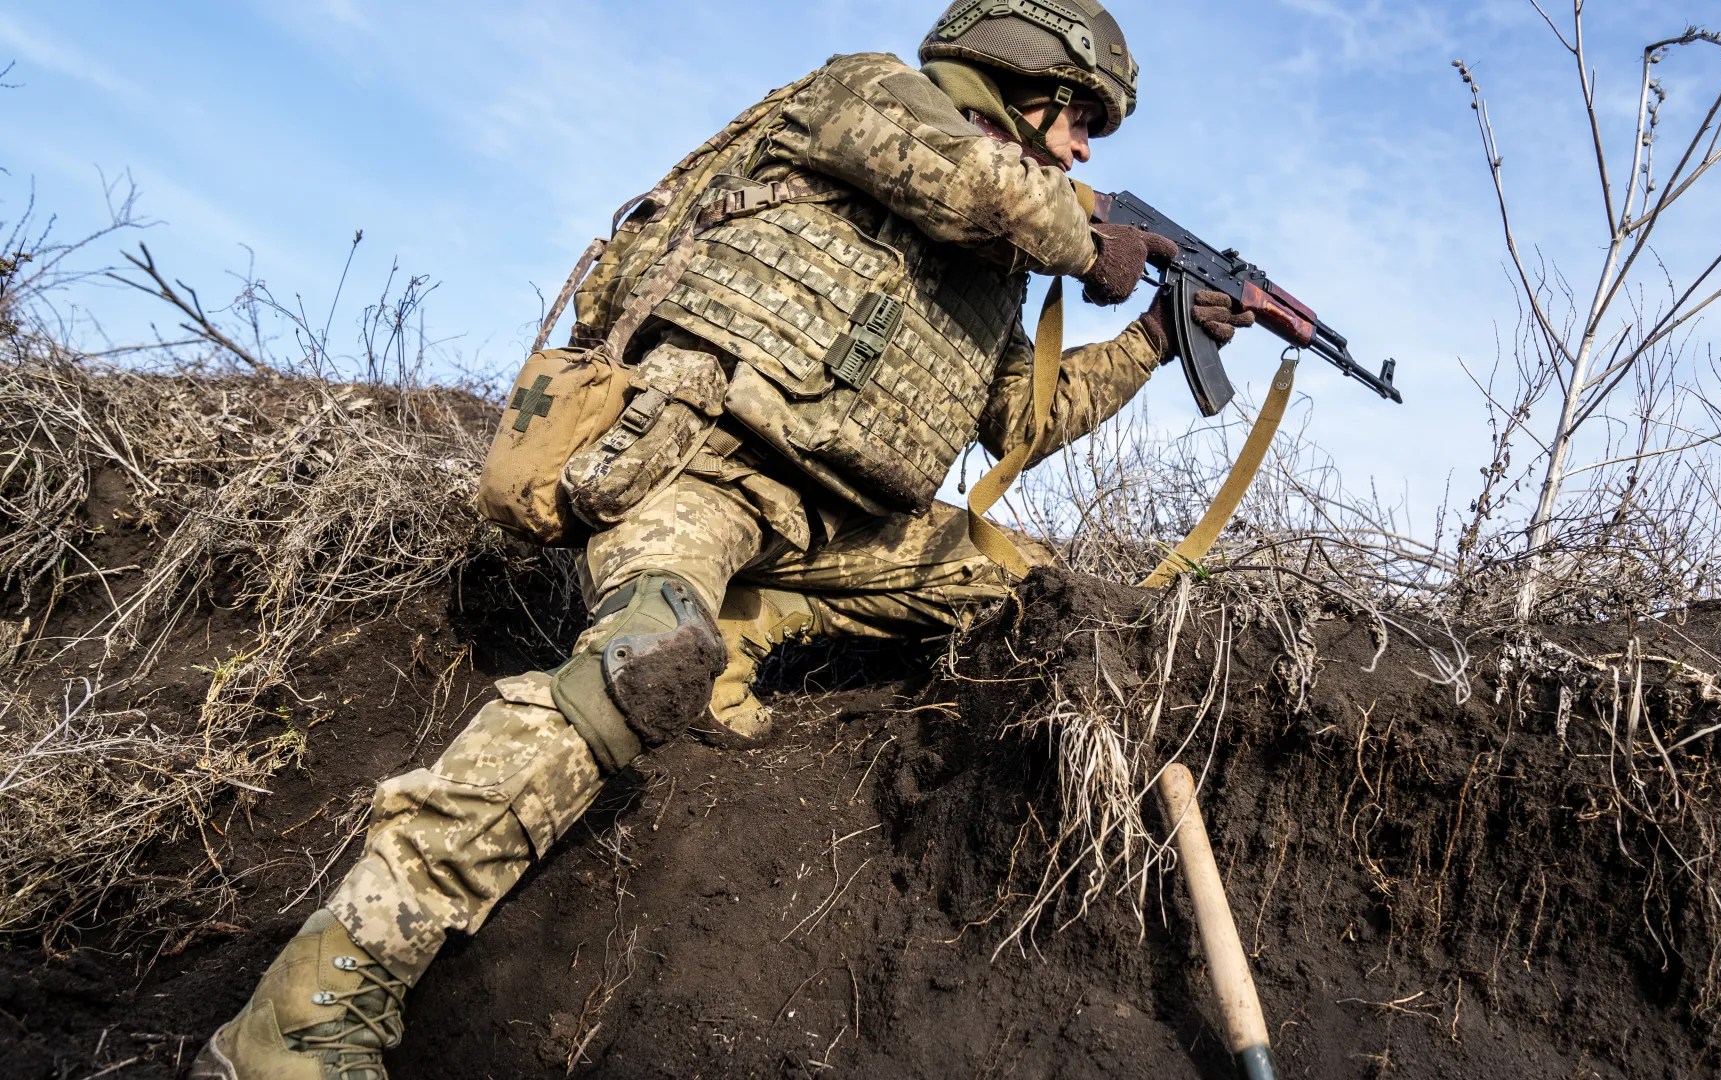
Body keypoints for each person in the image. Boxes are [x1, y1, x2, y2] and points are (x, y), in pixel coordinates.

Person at [192, 2, 1250, 1077]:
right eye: (1079, 120)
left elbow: (1021, 424)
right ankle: (301, 1017)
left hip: (829, 519)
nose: (1080, 149)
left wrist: (1160, 338)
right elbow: (974, 183)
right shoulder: (868, 94)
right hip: (696, 471)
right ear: (1017, 78)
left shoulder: (995, 268)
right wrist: (1090, 237)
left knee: (1024, 588)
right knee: (640, 666)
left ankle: (746, 625)